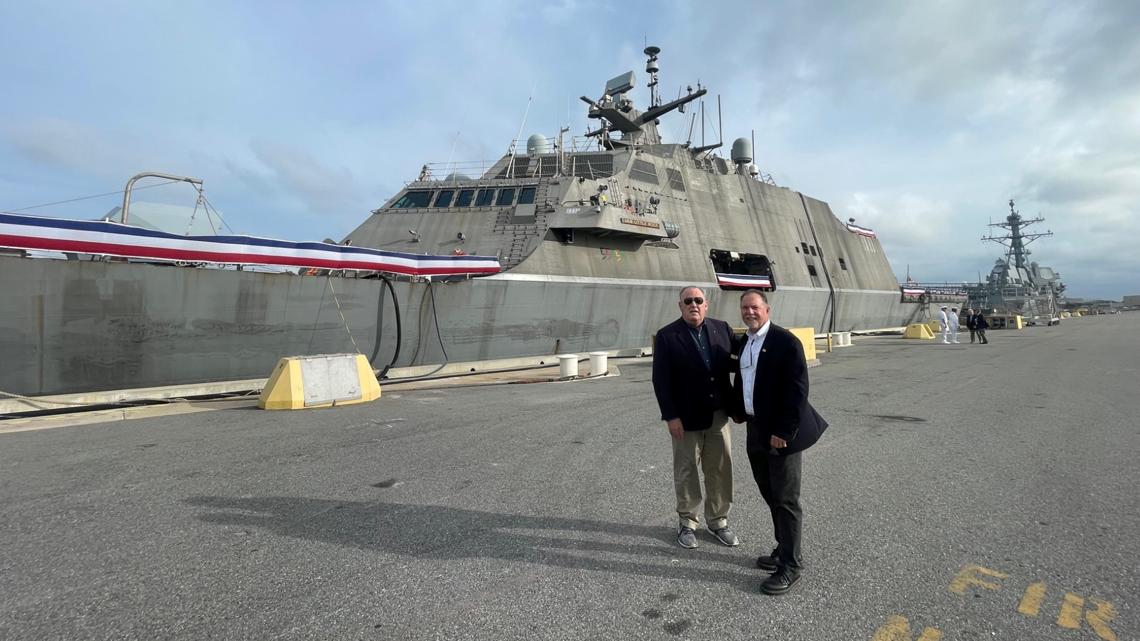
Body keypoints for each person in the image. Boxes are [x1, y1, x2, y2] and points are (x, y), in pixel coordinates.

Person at [733, 290, 828, 595]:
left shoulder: (786, 342)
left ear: (767, 309)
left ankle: (791, 565)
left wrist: (785, 432)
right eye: (745, 308)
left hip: (779, 433)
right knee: (769, 492)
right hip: (755, 429)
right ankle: (783, 547)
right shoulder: (745, 342)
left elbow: (797, 390)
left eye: (755, 307)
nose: (750, 312)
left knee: (786, 499)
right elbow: (745, 381)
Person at [651, 286, 740, 550]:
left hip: (718, 415)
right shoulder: (668, 336)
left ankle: (718, 521)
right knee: (686, 470)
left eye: (698, 300)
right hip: (685, 418)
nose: (693, 304)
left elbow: (744, 356)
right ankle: (688, 522)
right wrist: (671, 416)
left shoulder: (722, 328)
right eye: (688, 301)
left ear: (706, 304)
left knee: (720, 469)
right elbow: (661, 380)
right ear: (680, 306)